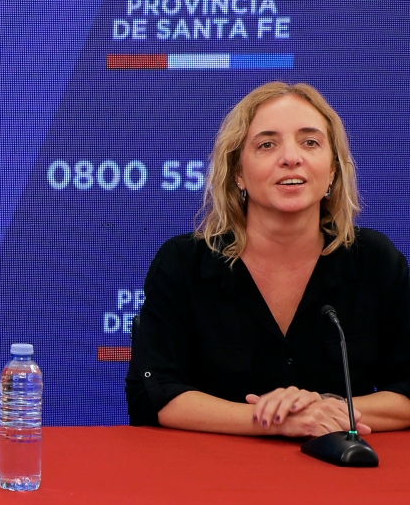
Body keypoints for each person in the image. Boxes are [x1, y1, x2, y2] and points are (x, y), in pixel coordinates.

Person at [126, 82, 410, 436]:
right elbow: (154, 395)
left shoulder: (375, 260)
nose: (291, 157)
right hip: (213, 466)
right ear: (238, 173)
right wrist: (275, 420)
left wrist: (327, 409)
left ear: (333, 171)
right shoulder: (184, 263)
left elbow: (406, 391)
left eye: (310, 142)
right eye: (267, 144)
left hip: (339, 468)